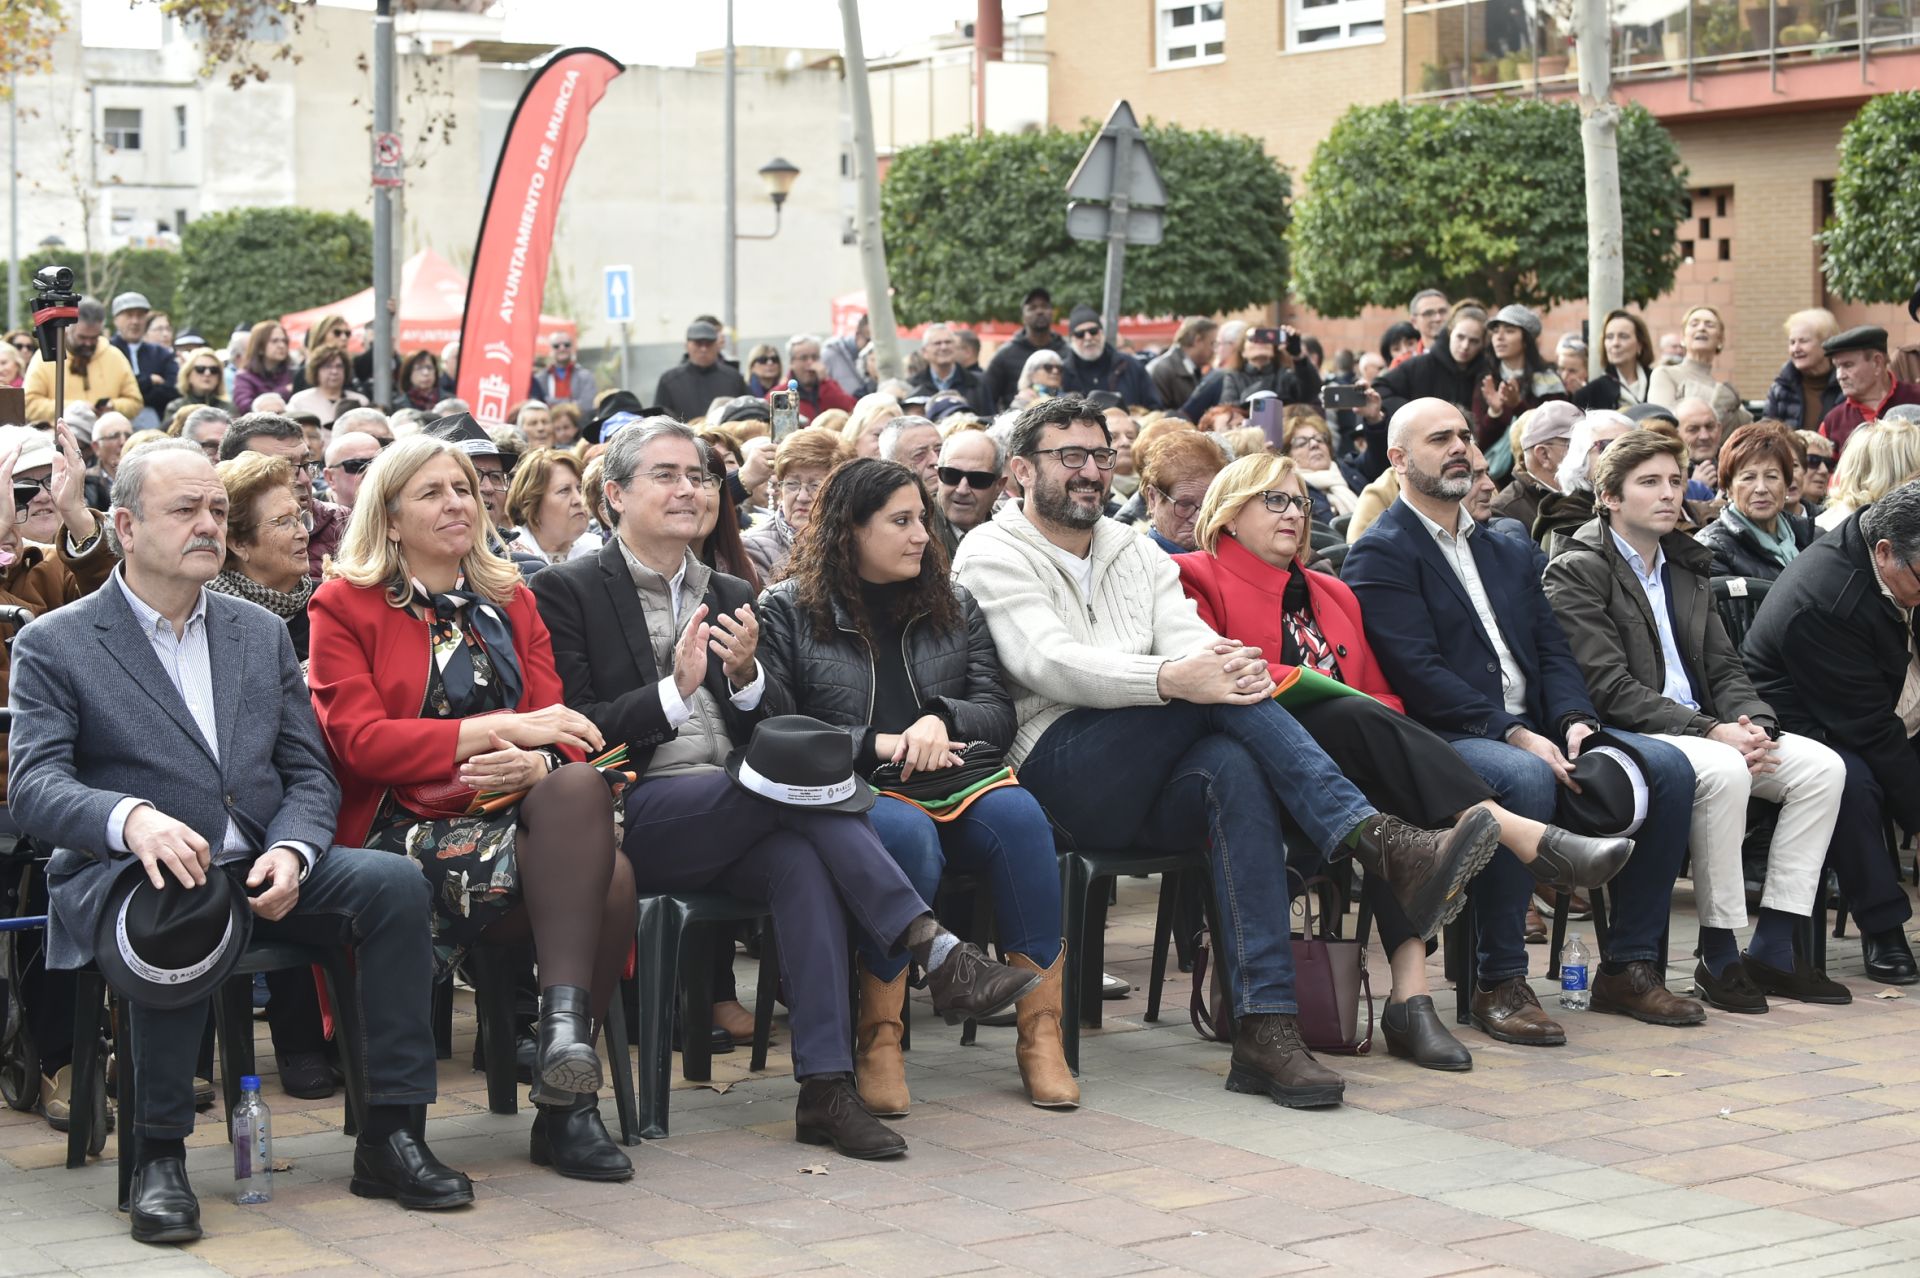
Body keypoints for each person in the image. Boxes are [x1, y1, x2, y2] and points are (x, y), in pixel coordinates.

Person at [954, 395, 1508, 1109]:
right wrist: (1175, 677)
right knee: (1215, 699)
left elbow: (1184, 633)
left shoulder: (1131, 548)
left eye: (1101, 456)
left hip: (1158, 763)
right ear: (1023, 471)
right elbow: (1045, 660)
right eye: (1072, 457)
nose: (1092, 471)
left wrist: (1222, 663)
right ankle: (1381, 843)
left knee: (1235, 768)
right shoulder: (991, 550)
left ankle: (1265, 1030)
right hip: (1058, 770)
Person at [532, 417, 1039, 1157]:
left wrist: (743, 682)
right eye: (667, 476)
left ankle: (826, 1090)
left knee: (803, 860)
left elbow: (768, 723)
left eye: (700, 476)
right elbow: (575, 726)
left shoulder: (731, 586)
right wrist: (673, 695)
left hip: (744, 801)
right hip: (631, 808)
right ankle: (928, 943)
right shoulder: (566, 589)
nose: (690, 490)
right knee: (800, 796)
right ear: (613, 494)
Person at [11, 438, 476, 1244]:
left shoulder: (258, 633)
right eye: (184, 509)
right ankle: (159, 1157)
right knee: (178, 897)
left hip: (264, 865)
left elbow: (310, 774)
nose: (208, 524)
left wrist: (296, 849)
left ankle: (393, 1135)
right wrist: (131, 820)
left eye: (218, 509)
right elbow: (34, 787)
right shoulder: (57, 643)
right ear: (124, 524)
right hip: (138, 873)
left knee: (394, 883)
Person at [1176, 452, 1629, 1068]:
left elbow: (1384, 695)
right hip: (1254, 764)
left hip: (1353, 763)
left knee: (1386, 783)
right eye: (1273, 499)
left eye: (1302, 503)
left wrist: (1353, 705)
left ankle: (1412, 998)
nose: (1294, 513)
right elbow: (1222, 670)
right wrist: (1324, 691)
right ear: (1229, 514)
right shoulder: (1192, 577)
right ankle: (1522, 836)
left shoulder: (1332, 592)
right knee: (1359, 727)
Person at [309, 434, 638, 1182]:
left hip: (516, 818)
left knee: (578, 786)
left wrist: (539, 759)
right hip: (401, 830)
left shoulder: (512, 596)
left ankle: (560, 1052)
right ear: (388, 518)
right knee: (610, 879)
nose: (457, 502)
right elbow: (360, 744)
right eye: (431, 492)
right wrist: (502, 730)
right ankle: (567, 1105)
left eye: (462, 487)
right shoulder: (345, 604)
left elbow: (565, 732)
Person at [1345, 399, 1704, 1044]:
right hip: (1446, 737)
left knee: (1671, 769)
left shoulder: (1507, 548)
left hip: (1540, 725)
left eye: (1464, 436)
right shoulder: (1382, 553)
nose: (1460, 447)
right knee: (1522, 780)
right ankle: (1499, 980)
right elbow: (1419, 674)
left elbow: (1552, 651)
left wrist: (1573, 723)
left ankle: (1629, 967)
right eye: (1439, 439)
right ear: (1398, 460)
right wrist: (1513, 732)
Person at [757, 457, 1077, 1109]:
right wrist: (881, 744)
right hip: (860, 791)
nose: (920, 538)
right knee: (908, 840)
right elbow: (779, 728)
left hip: (961, 781)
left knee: (1022, 822)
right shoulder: (786, 609)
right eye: (900, 522)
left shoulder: (954, 602)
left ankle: (1041, 1035)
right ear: (849, 530)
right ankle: (879, 1039)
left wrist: (939, 718)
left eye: (922, 522)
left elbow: (996, 707)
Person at [1543, 429, 1852, 1010]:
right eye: (1649, 482)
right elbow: (1608, 689)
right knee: (1726, 771)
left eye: (1675, 481)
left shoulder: (1685, 563)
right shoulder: (1578, 568)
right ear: (1609, 496)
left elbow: (1725, 665)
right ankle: (1718, 952)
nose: (1668, 494)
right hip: (1632, 736)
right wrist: (1714, 732)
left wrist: (1756, 724)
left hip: (1708, 729)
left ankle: (1776, 946)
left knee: (1822, 769)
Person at [1744, 478, 1920, 983]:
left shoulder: (1893, 545)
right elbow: (1870, 729)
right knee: (1852, 782)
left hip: (1887, 699)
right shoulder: (1826, 599)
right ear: (1884, 553)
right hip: (1805, 722)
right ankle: (1883, 927)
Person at [218, 413, 347, 577]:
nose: (304, 479)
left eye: (306, 465)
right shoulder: (213, 540)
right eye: (282, 468)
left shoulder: (343, 522)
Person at [1369, 306, 1488, 480]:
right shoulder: (1421, 365)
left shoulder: (1485, 373)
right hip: (1421, 462)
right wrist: (1416, 414)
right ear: (1450, 332)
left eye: (1474, 341)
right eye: (1460, 337)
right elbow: (1380, 387)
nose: (1465, 346)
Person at [1694, 423, 1815, 581]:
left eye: (1771, 476)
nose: (1761, 488)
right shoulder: (1710, 550)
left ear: (1786, 485)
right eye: (1748, 477)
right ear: (1728, 488)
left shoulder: (1810, 535)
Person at [742, 426, 845, 584]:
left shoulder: (851, 538)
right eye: (792, 484)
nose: (802, 496)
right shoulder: (754, 547)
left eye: (815, 486)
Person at [22, 298, 142, 423]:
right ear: (67, 329)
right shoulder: (47, 357)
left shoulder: (115, 356)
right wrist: (73, 408)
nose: (88, 343)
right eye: (82, 337)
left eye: (94, 338)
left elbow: (135, 403)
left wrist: (113, 406)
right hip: (59, 435)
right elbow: (28, 404)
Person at [1471, 305, 1568, 455]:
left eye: (1509, 331)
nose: (1499, 337)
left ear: (1526, 340)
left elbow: (1555, 435)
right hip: (1493, 475)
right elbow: (1477, 444)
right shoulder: (1487, 380)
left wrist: (1517, 405)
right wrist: (1495, 412)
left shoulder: (1549, 380)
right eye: (1496, 331)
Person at [1532, 410, 1634, 551]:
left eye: (1633, 447)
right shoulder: (1565, 529)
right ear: (1581, 459)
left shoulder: (1648, 512)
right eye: (1607, 446)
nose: (1626, 457)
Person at [1179, 326, 1319, 424]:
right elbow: (1229, 412)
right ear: (1243, 351)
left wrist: (1298, 356)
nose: (1260, 342)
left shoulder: (1285, 375)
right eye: (1253, 338)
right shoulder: (1233, 377)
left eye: (1265, 338)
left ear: (1274, 349)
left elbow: (1311, 392)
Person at [1818, 325, 1920, 454]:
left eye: (1848, 365)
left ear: (1877, 362)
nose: (1840, 376)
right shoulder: (1833, 421)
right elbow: (1822, 471)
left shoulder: (1916, 398)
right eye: (1837, 367)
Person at [1647, 305, 1745, 428]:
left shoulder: (1724, 391)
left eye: (1709, 325)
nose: (1702, 328)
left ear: (1720, 340)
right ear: (1683, 337)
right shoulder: (1664, 374)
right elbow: (1660, 424)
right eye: (1694, 324)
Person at [1491, 401, 1579, 534]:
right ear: (1544, 455)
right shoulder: (1504, 512)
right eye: (1577, 445)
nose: (1588, 453)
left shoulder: (1593, 488)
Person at [503, 447, 599, 566]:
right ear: (533, 503)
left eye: (580, 489)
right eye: (564, 490)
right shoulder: (508, 556)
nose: (579, 500)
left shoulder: (598, 548)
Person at [1140, 430, 1229, 553]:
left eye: (1210, 504)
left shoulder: (1229, 556)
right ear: (1152, 499)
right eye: (1185, 504)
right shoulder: (1136, 566)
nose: (1199, 519)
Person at [983, 286, 1067, 411]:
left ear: (1052, 313)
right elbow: (987, 398)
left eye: (1044, 306)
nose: (1039, 311)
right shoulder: (1004, 355)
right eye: (1032, 308)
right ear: (1023, 316)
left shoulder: (1067, 352)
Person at [1058, 306, 1158, 409]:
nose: (1088, 337)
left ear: (1101, 333)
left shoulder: (1131, 366)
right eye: (1080, 334)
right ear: (1071, 339)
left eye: (1093, 331)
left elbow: (1155, 407)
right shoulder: (1060, 373)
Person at [1279, 409, 1365, 526]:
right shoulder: (1292, 491)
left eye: (1319, 439)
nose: (1314, 444)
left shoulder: (1350, 469)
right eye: (1301, 443)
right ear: (1288, 456)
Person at [1763, 308, 1842, 432]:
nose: (1796, 349)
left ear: (1826, 343)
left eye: (1803, 341)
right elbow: (1766, 433)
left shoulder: (1845, 385)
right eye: (1792, 342)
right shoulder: (1781, 387)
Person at [109, 292, 177, 431]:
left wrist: (134, 389)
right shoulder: (106, 351)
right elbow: (109, 389)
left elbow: (172, 390)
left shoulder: (161, 354)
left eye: (140, 315)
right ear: (116, 319)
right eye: (129, 315)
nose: (135, 321)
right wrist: (149, 380)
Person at [653, 320, 747, 420]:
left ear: (717, 346)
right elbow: (659, 419)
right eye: (698, 343)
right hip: (682, 434)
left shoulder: (733, 378)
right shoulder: (669, 380)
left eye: (708, 344)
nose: (703, 349)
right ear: (686, 345)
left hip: (724, 434)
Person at [908, 324, 993, 416]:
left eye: (948, 342)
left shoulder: (978, 383)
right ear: (925, 352)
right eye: (937, 343)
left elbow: (989, 418)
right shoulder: (913, 386)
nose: (943, 347)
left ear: (956, 347)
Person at [935, 428, 1004, 539]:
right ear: (938, 476)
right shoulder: (919, 531)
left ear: (999, 486)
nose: (962, 490)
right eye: (951, 475)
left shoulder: (1012, 533)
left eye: (977, 479)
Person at [286, 343, 370, 426]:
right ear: (316, 370)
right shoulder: (299, 401)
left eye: (339, 366)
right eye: (327, 366)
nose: (334, 371)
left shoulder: (361, 401)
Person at [1148, 317, 1217, 411]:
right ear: (1198, 340)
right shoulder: (1162, 369)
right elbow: (1158, 415)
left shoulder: (1194, 368)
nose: (1214, 350)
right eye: (1212, 343)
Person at [786, 334, 856, 423]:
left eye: (815, 357)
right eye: (804, 358)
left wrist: (825, 381)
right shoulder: (780, 393)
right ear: (791, 363)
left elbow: (851, 408)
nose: (810, 362)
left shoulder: (829, 386)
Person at [159, 347, 234, 427]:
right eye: (200, 369)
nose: (207, 373)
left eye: (214, 370)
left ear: (219, 376)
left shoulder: (229, 408)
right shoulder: (175, 408)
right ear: (188, 375)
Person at [231, 322, 294, 414]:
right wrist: (283, 392)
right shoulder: (244, 377)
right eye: (274, 341)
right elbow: (245, 406)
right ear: (259, 347)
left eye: (284, 341)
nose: (281, 345)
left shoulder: (293, 373)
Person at [1597, 310, 1655, 408]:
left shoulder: (1657, 382)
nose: (1615, 343)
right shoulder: (1590, 393)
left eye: (1623, 336)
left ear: (1640, 344)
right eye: (1609, 337)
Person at [323, 431, 386, 511]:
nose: (370, 471)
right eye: (357, 465)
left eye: (378, 463)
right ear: (330, 478)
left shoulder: (398, 511)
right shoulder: (313, 515)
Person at [533, 333, 597, 411]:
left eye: (566, 345)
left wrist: (551, 402)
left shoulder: (586, 376)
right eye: (556, 346)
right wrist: (572, 403)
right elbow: (537, 404)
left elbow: (587, 405)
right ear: (550, 349)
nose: (562, 348)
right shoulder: (540, 378)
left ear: (572, 348)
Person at [822, 313, 870, 395]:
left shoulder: (867, 359)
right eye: (869, 340)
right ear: (858, 335)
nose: (872, 346)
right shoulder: (830, 354)